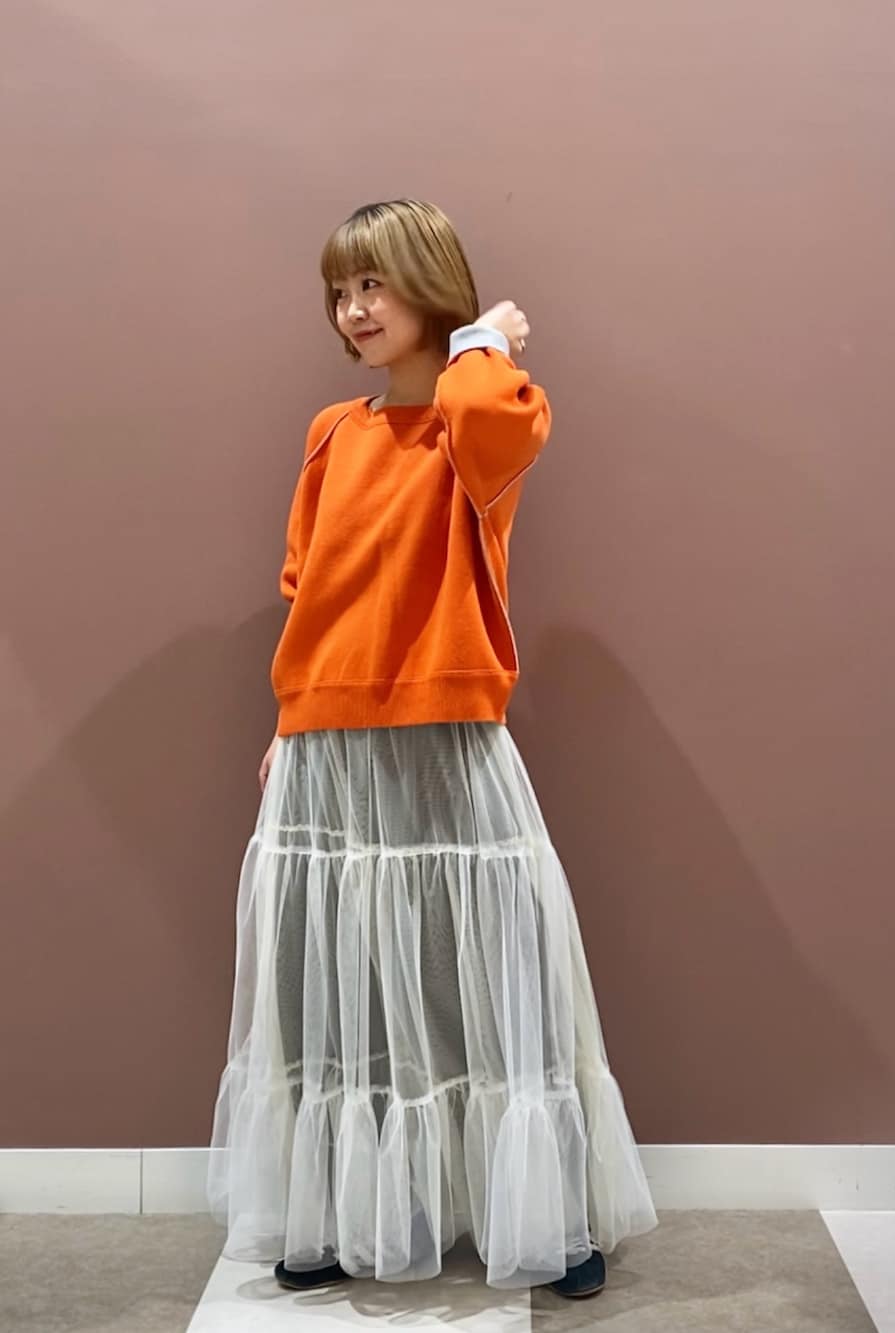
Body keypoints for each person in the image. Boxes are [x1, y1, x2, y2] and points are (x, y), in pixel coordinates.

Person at [207, 199, 657, 1300]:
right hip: (327, 741)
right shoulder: (332, 433)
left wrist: (481, 342)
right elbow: (308, 591)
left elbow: (493, 416)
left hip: (450, 731)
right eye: (340, 291)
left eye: (375, 283)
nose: (354, 310)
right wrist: (287, 722)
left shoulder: (477, 420)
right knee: (334, 975)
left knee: (490, 970)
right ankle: (335, 1212)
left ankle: (543, 1219)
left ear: (429, 286)